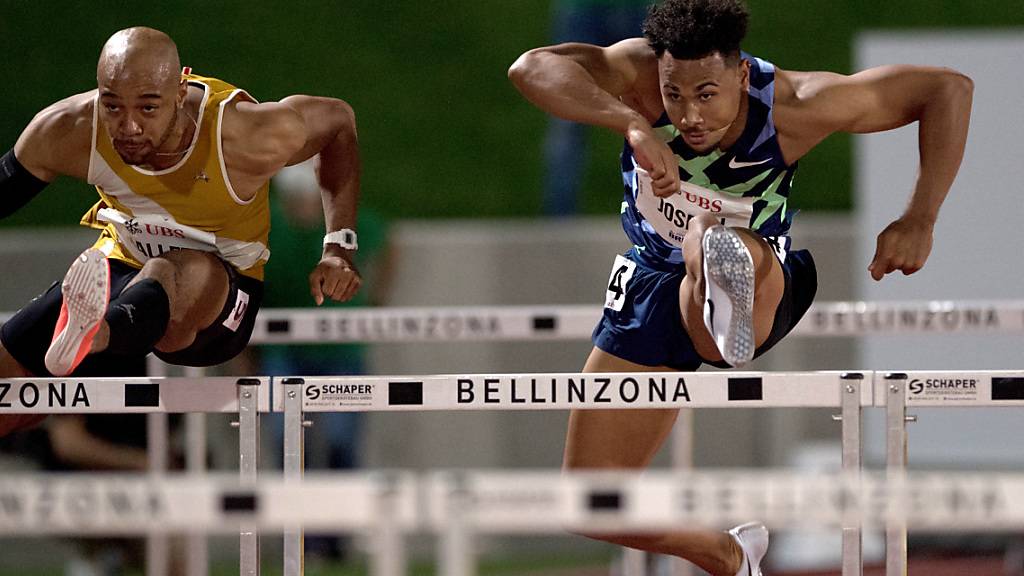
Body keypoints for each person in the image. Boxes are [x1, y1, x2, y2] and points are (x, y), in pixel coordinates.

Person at [508, 0, 973, 574]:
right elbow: (530, 67)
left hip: (763, 278)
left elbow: (947, 89)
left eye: (707, 94)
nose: (689, 117)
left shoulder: (796, 104)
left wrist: (919, 217)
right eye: (674, 95)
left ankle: (721, 290)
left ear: (742, 73)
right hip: (653, 284)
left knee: (709, 233)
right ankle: (729, 553)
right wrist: (629, 122)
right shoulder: (638, 75)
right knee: (589, 502)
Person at [0, 26, 363, 437]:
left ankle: (96, 333)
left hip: (217, 296)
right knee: (7, 390)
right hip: (120, 270)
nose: (128, 126)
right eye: (113, 106)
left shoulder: (243, 135)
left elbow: (338, 123)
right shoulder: (71, 128)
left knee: (172, 270)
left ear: (179, 91)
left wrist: (338, 245)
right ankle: (90, 332)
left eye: (148, 108)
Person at [543, 0, 649, 215]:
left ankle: (664, 212)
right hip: (585, 9)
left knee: (657, 106)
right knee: (568, 113)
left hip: (633, 9)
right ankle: (559, 215)